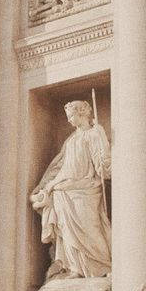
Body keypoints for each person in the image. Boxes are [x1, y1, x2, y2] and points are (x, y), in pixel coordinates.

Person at [30, 100, 111, 280]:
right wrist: (48, 185)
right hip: (65, 187)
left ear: (82, 113)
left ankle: (103, 264)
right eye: (67, 117)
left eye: (71, 116)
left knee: (90, 227)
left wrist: (104, 166)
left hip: (87, 187)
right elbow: (61, 165)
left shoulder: (95, 132)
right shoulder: (72, 139)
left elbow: (103, 159)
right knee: (66, 228)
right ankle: (75, 268)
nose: (69, 120)